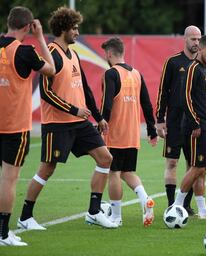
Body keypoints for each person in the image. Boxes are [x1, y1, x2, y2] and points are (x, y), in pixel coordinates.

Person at [17, 6, 117, 230]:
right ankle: (24, 217)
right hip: (57, 125)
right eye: (75, 28)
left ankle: (93, 212)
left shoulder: (74, 54)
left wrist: (99, 117)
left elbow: (86, 89)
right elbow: (46, 92)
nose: (78, 32)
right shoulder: (51, 54)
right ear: (64, 29)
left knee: (105, 159)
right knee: (47, 169)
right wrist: (74, 109)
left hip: (80, 123)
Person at [0, 6, 55, 246]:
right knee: (9, 179)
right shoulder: (24, 51)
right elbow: (52, 70)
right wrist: (41, 37)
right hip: (13, 126)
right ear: (27, 27)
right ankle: (3, 233)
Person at [100, 37, 158, 227]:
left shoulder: (111, 74)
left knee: (114, 173)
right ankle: (145, 199)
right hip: (133, 134)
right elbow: (147, 104)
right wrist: (151, 130)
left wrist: (102, 123)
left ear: (109, 54)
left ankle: (116, 216)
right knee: (128, 172)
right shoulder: (136, 74)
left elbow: (107, 104)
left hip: (115, 133)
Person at [173, 35, 206, 219]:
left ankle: (202, 210)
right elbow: (185, 97)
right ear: (201, 49)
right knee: (196, 167)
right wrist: (195, 122)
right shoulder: (192, 69)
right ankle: (177, 205)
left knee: (203, 169)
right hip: (194, 128)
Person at [155, 26, 201, 214]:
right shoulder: (173, 62)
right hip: (174, 122)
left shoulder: (203, 65)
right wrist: (159, 119)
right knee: (172, 163)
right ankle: (171, 204)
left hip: (194, 124)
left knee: (192, 165)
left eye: (199, 39)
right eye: (193, 39)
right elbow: (162, 91)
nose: (196, 43)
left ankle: (186, 205)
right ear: (185, 39)